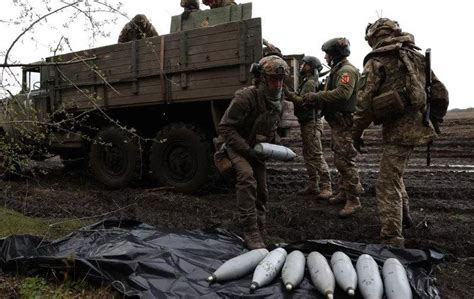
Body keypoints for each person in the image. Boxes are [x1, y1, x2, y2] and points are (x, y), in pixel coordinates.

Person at [352, 18, 448, 247]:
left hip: (398, 133)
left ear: (374, 37)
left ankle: (392, 238)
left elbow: (363, 103)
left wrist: (356, 133)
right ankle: (404, 217)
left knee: (385, 183)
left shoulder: (377, 61)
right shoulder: (416, 57)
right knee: (395, 175)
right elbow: (441, 93)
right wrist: (435, 120)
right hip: (420, 127)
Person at [218, 55, 290, 249]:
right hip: (238, 146)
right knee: (247, 177)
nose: (278, 84)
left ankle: (260, 225)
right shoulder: (245, 97)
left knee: (262, 188)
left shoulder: (278, 100)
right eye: (274, 79)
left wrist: (272, 144)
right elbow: (225, 128)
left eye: (281, 80)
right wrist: (247, 150)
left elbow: (272, 127)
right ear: (262, 79)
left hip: (256, 149)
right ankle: (250, 230)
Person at [303, 38, 363, 218]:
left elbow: (343, 93)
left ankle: (354, 200)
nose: (325, 58)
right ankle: (344, 192)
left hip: (345, 122)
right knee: (339, 159)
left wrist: (317, 96)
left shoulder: (347, 71)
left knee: (345, 162)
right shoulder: (339, 70)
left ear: (335, 55)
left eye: (327, 54)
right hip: (338, 122)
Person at [284, 56, 332, 199]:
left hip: (312, 122)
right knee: (308, 154)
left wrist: (288, 93)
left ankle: (326, 186)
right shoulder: (307, 81)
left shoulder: (310, 83)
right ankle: (313, 184)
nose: (302, 65)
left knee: (316, 154)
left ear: (310, 67)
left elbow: (301, 101)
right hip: (307, 122)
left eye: (305, 64)